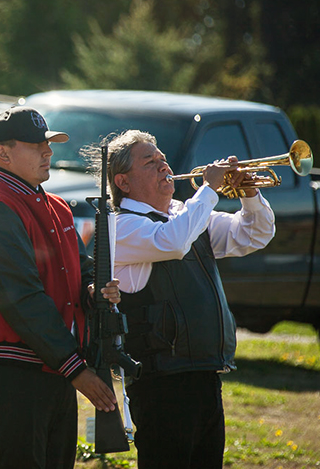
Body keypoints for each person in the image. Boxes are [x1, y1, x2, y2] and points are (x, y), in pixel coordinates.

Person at [0, 106, 121, 469]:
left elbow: (84, 269)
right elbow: (21, 299)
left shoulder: (56, 206)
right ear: (3, 153)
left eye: (48, 144)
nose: (48, 152)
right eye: (36, 145)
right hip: (12, 369)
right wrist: (77, 369)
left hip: (53, 365)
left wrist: (94, 290)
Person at [103, 129, 276, 468]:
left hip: (204, 373)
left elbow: (255, 234)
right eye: (150, 162)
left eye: (163, 158)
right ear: (123, 182)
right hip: (162, 382)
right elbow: (173, 242)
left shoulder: (185, 214)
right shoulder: (121, 226)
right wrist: (209, 189)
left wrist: (250, 193)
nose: (163, 166)